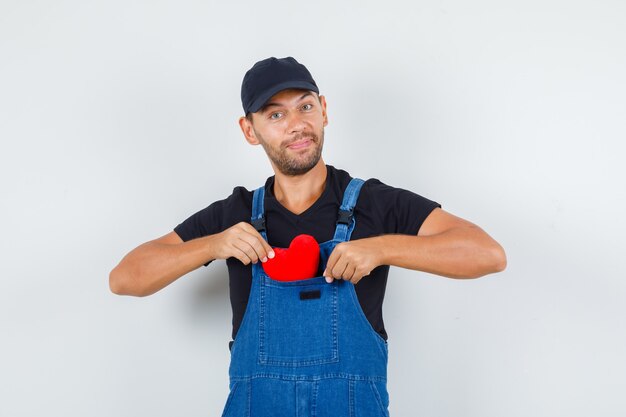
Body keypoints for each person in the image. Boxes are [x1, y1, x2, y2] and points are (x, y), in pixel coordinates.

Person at [110, 56, 507, 416]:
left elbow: (486, 254)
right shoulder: (236, 214)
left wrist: (382, 248)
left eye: (305, 106)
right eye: (275, 115)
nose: (297, 124)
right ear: (250, 130)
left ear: (324, 110)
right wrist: (212, 244)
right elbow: (126, 278)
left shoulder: (373, 203)